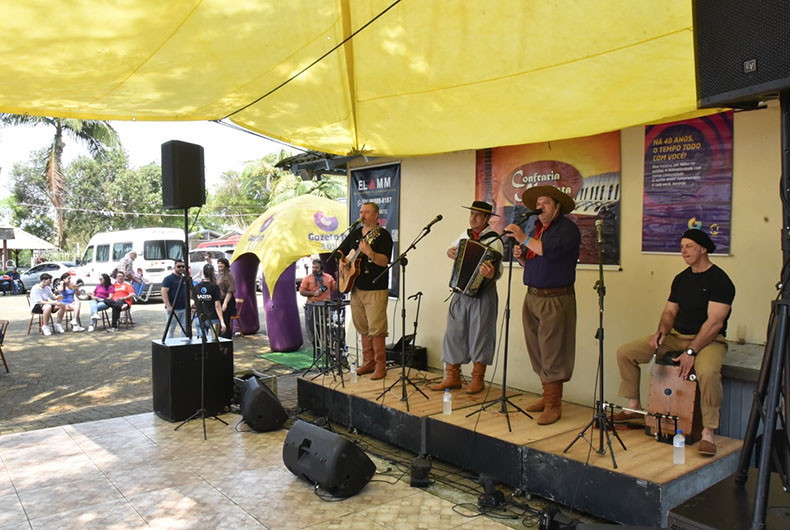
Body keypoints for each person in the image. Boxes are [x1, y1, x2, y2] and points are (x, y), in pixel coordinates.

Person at [615, 229, 735, 456]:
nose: (683, 251)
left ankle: (708, 432)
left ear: (703, 248)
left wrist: (691, 351)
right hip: (676, 336)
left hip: (709, 340)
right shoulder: (681, 279)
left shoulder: (720, 280)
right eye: (681, 247)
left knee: (708, 372)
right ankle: (633, 407)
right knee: (626, 352)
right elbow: (670, 311)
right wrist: (661, 331)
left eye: (688, 246)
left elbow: (715, 323)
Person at [505, 185, 581, 425]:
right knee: (537, 349)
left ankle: (553, 404)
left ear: (557, 206)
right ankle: (546, 394)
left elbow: (548, 251)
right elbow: (537, 263)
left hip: (555, 298)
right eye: (538, 203)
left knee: (553, 350)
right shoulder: (538, 228)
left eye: (546, 202)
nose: (540, 207)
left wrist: (523, 238)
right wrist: (520, 256)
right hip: (533, 296)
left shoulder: (566, 229)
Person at [431, 201, 503, 394]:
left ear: (487, 218)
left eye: (478, 215)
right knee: (454, 333)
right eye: (472, 213)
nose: (473, 218)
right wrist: (450, 251)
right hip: (460, 291)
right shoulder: (465, 236)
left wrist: (490, 273)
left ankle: (477, 378)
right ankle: (452, 376)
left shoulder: (494, 240)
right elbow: (451, 249)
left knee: (481, 333)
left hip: (483, 294)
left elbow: (498, 271)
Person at [338, 202, 393, 380]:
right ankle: (368, 361)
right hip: (356, 286)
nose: (363, 215)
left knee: (376, 327)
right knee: (362, 325)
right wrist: (341, 262)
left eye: (367, 212)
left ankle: (380, 365)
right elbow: (341, 250)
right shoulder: (355, 233)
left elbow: (384, 262)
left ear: (376, 216)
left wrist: (370, 253)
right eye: (361, 211)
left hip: (375, 287)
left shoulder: (382, 235)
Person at [299, 259, 337, 344]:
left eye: (316, 267)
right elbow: (302, 291)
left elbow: (335, 288)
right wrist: (313, 293)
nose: (314, 269)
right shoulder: (307, 278)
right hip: (312, 305)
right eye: (313, 267)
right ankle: (316, 347)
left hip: (325, 306)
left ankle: (327, 345)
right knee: (312, 328)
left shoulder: (328, 277)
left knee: (326, 327)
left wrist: (340, 277)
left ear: (321, 268)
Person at [194, 264, 227, 337]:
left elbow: (192, 303)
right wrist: (222, 321)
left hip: (200, 317)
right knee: (215, 340)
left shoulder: (197, 286)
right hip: (213, 317)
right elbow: (217, 305)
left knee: (201, 341)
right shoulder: (215, 287)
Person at [161, 259, 188, 338]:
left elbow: (189, 292)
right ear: (174, 267)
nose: (181, 268)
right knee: (170, 329)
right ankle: (169, 347)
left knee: (185, 329)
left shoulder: (184, 279)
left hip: (184, 308)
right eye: (179, 266)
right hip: (173, 309)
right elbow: (163, 292)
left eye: (183, 266)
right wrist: (169, 306)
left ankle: (184, 346)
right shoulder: (168, 279)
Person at [217, 257, 237, 339]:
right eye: (218, 264)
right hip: (219, 300)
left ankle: (227, 339)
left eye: (221, 264)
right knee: (221, 321)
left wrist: (225, 303)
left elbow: (230, 290)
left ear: (225, 265)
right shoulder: (219, 275)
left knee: (225, 321)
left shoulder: (229, 275)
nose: (219, 265)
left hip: (227, 301)